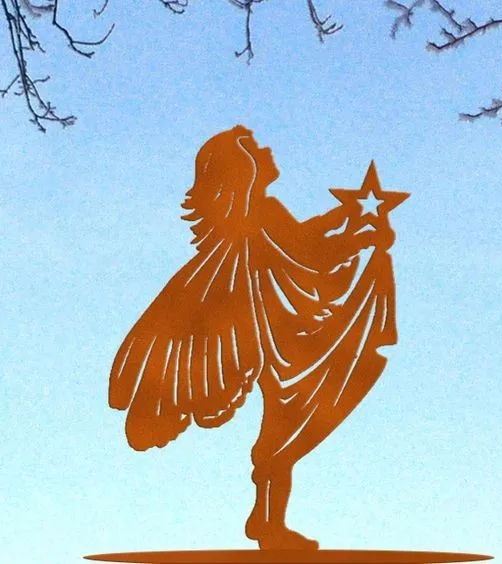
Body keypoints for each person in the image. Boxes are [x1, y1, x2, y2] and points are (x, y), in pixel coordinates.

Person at [109, 125, 407, 549]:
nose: (267, 150)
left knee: (281, 433)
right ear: (244, 167)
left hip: (275, 330)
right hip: (260, 332)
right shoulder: (256, 221)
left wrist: (347, 225)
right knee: (281, 433)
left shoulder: (263, 213)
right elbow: (305, 256)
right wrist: (357, 238)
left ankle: (267, 522)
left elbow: (300, 242)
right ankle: (267, 523)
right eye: (255, 148)